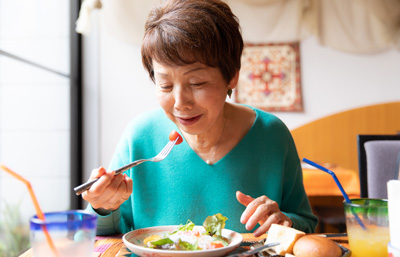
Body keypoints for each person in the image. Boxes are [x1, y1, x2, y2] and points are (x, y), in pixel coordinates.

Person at [82, 0, 318, 237]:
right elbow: (97, 235)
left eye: (197, 83)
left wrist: (284, 221)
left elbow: (306, 223)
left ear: (232, 76)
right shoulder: (140, 137)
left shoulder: (271, 135)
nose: (179, 102)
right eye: (165, 85)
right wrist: (103, 207)